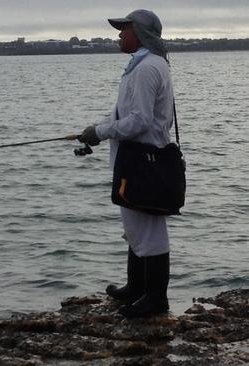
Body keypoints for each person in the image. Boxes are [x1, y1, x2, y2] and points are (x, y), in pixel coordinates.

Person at [78, 9, 174, 318]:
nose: (120, 34)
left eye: (125, 29)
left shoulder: (147, 68)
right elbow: (122, 114)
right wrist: (94, 128)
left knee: (149, 229)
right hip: (134, 158)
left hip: (143, 159)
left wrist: (101, 133)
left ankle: (156, 299)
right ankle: (136, 288)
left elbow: (141, 121)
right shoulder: (141, 65)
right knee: (134, 225)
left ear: (142, 33)